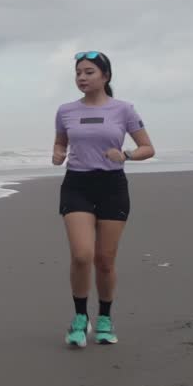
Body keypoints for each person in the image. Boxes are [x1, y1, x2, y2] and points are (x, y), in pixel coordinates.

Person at [52, 51, 155, 348]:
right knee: (82, 255)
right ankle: (80, 318)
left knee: (105, 261)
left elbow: (148, 147)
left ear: (105, 76)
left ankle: (105, 319)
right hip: (77, 184)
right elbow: (61, 142)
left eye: (89, 72)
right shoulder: (65, 111)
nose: (82, 78)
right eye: (78, 73)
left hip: (112, 185)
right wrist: (58, 153)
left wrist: (126, 155)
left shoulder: (123, 110)